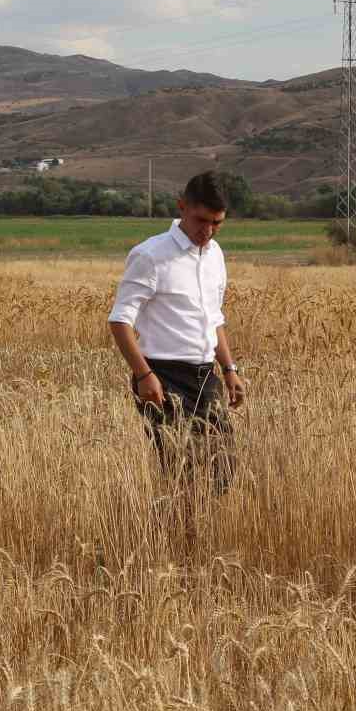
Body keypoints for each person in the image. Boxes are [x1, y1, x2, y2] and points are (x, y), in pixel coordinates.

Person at [108, 171, 247, 518]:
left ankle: (190, 535)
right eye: (202, 220)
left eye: (217, 223)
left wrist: (229, 369)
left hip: (205, 376)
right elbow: (120, 321)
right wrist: (143, 375)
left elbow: (213, 317)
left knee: (223, 466)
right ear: (182, 207)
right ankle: (167, 544)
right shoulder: (150, 255)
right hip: (163, 377)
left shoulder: (215, 255)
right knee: (180, 472)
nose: (208, 231)